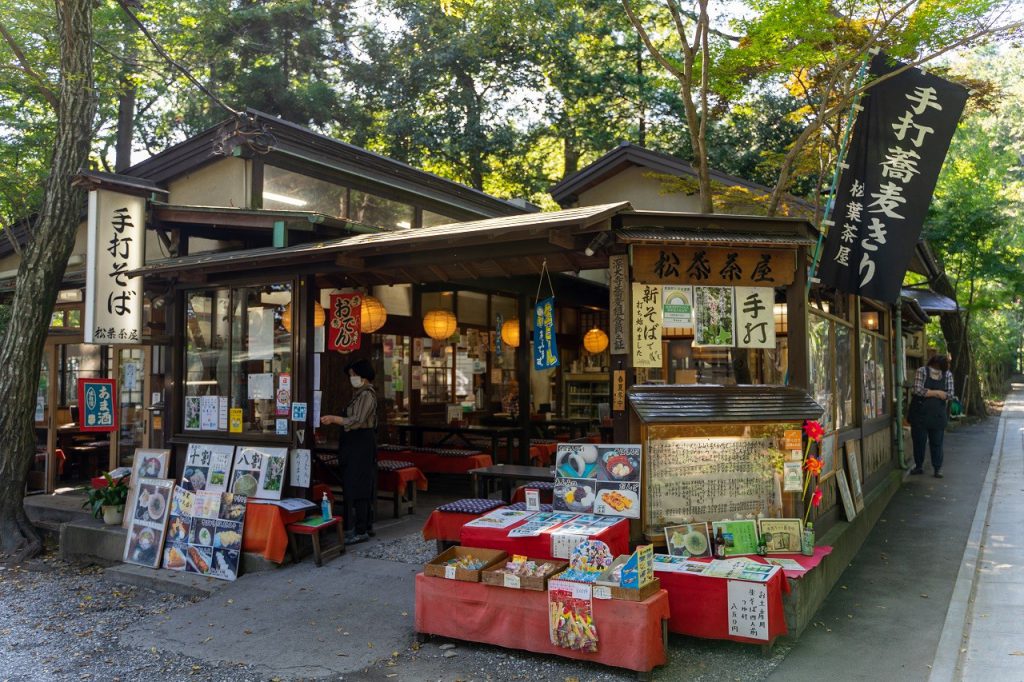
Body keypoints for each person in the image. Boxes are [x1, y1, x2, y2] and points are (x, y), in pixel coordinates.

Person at [320, 359, 377, 544]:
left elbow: (358, 419)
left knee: (359, 484)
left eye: (354, 375)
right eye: (351, 375)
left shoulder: (367, 395)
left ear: (364, 376)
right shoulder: (358, 394)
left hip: (361, 444)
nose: (351, 378)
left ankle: (361, 529)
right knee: (354, 483)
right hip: (354, 444)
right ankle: (360, 526)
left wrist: (336, 419)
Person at [909, 354, 955, 478]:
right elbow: (916, 390)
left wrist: (928, 393)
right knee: (919, 442)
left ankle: (937, 468)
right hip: (920, 414)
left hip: (938, 415)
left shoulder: (948, 375)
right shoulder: (922, 371)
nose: (940, 370)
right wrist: (937, 393)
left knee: (937, 443)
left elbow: (950, 394)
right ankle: (919, 466)